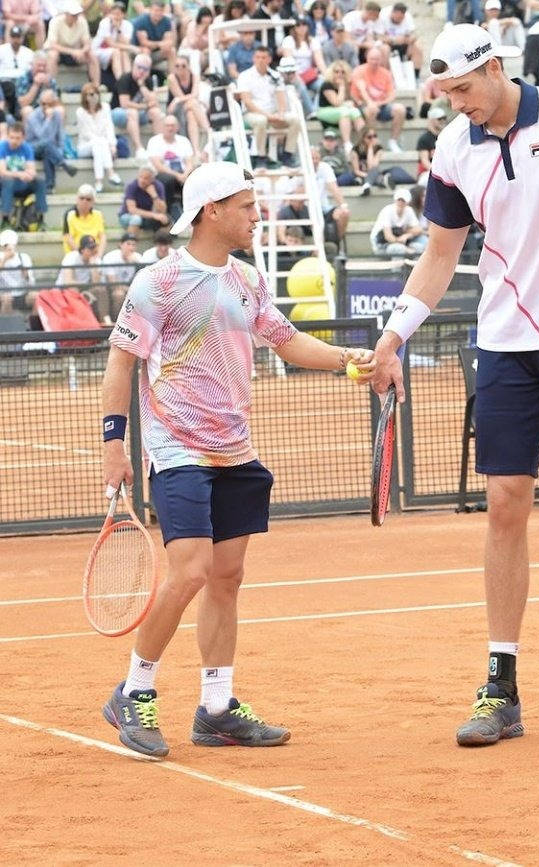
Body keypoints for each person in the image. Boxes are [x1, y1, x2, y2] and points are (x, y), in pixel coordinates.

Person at [371, 25, 539, 754]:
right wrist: (394, 333)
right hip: (504, 344)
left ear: (493, 69)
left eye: (462, 89)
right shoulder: (454, 149)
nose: (455, 104)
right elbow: (439, 255)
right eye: (444, 94)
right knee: (503, 503)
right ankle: (501, 683)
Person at [100, 160, 375, 758]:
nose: (258, 215)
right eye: (247, 207)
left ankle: (217, 707)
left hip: (236, 451)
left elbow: (287, 342)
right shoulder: (158, 282)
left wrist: (351, 359)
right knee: (192, 571)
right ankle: (135, 691)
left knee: (226, 579)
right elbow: (121, 361)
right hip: (178, 451)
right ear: (211, 211)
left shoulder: (248, 280)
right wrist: (114, 444)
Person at [235, 45, 300, 168]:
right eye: (258, 57)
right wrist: (268, 116)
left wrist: (280, 113)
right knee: (261, 120)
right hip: (252, 114)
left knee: (295, 120)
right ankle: (261, 156)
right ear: (253, 58)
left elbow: (281, 98)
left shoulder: (275, 75)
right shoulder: (245, 76)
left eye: (264, 57)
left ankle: (288, 154)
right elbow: (247, 102)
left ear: (269, 59)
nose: (260, 60)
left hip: (273, 113)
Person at [350, 46, 406, 153]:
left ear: (381, 60)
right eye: (372, 59)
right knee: (371, 109)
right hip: (363, 105)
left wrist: (379, 103)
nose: (374, 62)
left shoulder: (386, 73)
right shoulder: (359, 71)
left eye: (377, 59)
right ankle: (372, 141)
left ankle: (393, 141)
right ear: (367, 58)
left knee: (400, 109)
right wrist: (370, 103)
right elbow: (357, 92)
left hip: (381, 105)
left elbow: (391, 95)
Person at [111, 54, 164, 161]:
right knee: (132, 112)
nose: (141, 71)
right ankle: (139, 148)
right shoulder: (125, 79)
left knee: (156, 112)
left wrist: (142, 86)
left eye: (145, 69)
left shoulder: (147, 81)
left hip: (137, 113)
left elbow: (154, 103)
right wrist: (144, 106)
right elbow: (124, 104)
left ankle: (160, 147)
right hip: (118, 113)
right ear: (133, 66)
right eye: (139, 67)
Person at [24, 87, 77, 193]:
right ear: (39, 102)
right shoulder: (33, 116)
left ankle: (49, 186)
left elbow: (60, 135)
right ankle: (64, 165)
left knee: (48, 152)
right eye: (43, 103)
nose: (46, 107)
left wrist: (60, 151)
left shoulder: (57, 115)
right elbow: (41, 135)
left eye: (50, 104)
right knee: (46, 144)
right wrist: (48, 119)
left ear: (54, 103)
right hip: (32, 148)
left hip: (48, 149)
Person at [76, 82, 123, 194]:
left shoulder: (105, 108)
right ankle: (111, 173)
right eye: (90, 94)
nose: (93, 97)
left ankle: (99, 182)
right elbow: (86, 134)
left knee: (99, 144)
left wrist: (112, 145)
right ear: (85, 97)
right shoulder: (80, 112)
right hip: (85, 146)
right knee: (98, 142)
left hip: (102, 146)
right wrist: (106, 143)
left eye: (95, 93)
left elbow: (109, 128)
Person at [0, 122, 47, 230]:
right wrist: (20, 173)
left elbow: (32, 170)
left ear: (23, 138)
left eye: (18, 138)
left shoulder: (27, 148)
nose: (14, 141)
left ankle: (40, 219)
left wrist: (30, 175)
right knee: (8, 180)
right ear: (7, 136)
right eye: (11, 137)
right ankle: (6, 220)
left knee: (39, 181)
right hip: (4, 184)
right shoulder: (2, 147)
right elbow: (2, 171)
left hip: (21, 183)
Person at [146, 113, 193, 220]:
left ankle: (192, 212)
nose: (170, 128)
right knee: (168, 179)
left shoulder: (184, 141)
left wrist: (185, 174)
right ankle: (169, 210)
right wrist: (177, 175)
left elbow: (189, 162)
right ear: (162, 127)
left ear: (177, 127)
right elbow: (158, 166)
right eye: (167, 125)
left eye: (172, 125)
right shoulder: (154, 141)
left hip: (182, 173)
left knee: (196, 175)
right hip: (163, 175)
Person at [44, 0, 100, 86]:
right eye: (73, 15)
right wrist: (72, 51)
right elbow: (53, 45)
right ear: (66, 13)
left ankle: (96, 85)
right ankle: (51, 86)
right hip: (61, 53)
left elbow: (87, 43)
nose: (76, 17)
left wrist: (82, 51)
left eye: (77, 14)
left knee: (92, 56)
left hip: (76, 53)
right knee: (52, 55)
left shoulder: (82, 21)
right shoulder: (55, 21)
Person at [166, 54, 211, 159]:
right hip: (175, 110)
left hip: (188, 108)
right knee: (192, 103)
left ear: (188, 66)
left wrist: (178, 100)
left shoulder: (194, 76)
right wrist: (178, 99)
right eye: (177, 66)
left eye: (183, 66)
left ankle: (195, 150)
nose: (180, 68)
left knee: (191, 114)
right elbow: (182, 96)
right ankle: (209, 130)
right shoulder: (171, 78)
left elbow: (194, 94)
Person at [316, 59, 364, 153]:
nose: (340, 74)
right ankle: (347, 143)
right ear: (332, 72)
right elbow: (336, 103)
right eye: (336, 71)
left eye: (343, 72)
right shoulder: (327, 85)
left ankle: (363, 141)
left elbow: (353, 102)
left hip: (340, 110)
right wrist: (342, 87)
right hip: (324, 111)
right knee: (344, 112)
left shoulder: (347, 85)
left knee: (356, 112)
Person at [370, 186, 422, 257]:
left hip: (400, 241)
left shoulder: (409, 210)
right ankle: (398, 268)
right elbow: (388, 237)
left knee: (419, 247)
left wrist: (406, 235)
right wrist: (406, 248)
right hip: (381, 244)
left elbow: (418, 229)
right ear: (395, 200)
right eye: (399, 200)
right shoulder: (387, 211)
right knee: (398, 249)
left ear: (407, 202)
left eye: (403, 200)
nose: (400, 202)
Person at [101, 231, 142, 320]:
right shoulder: (110, 257)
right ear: (120, 244)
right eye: (128, 244)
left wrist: (136, 264)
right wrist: (129, 290)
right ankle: (117, 322)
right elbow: (113, 283)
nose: (131, 247)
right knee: (119, 294)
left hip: (129, 288)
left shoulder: (138, 258)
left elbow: (143, 281)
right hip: (109, 289)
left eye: (133, 245)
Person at [92, 3, 136, 83]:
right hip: (99, 50)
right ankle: (120, 82)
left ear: (124, 15)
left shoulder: (128, 25)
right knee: (116, 52)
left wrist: (118, 29)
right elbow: (111, 43)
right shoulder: (104, 23)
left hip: (116, 51)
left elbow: (126, 43)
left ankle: (128, 80)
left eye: (118, 14)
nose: (115, 16)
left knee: (123, 53)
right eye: (113, 14)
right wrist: (132, 48)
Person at [119, 164, 169, 233]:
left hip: (146, 217)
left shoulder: (158, 186)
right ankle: (130, 241)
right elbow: (132, 210)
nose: (142, 180)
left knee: (166, 220)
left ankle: (160, 243)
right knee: (136, 219)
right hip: (127, 216)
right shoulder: (131, 186)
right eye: (140, 177)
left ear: (152, 179)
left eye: (146, 178)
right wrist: (154, 215)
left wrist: (154, 195)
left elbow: (163, 210)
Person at [63, 183, 107, 255]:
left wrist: (99, 255)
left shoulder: (98, 214)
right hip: (75, 253)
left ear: (93, 201)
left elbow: (102, 237)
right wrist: (82, 254)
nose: (84, 201)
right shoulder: (69, 214)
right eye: (82, 198)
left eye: (88, 199)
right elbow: (68, 238)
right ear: (77, 199)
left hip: (94, 252)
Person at [132, 0, 176, 71]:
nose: (158, 13)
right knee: (146, 50)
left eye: (161, 11)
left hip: (155, 52)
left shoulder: (166, 21)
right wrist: (160, 44)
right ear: (150, 10)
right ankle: (144, 78)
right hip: (138, 52)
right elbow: (144, 43)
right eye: (156, 10)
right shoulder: (142, 21)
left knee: (172, 50)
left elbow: (168, 42)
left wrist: (160, 44)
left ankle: (172, 77)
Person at [0, 227, 36, 314]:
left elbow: (31, 283)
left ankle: (32, 324)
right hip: (3, 294)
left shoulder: (23, 257)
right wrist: (4, 260)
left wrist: (26, 275)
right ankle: (5, 325)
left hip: (21, 293)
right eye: (5, 245)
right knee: (7, 298)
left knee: (36, 297)